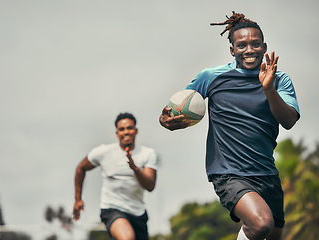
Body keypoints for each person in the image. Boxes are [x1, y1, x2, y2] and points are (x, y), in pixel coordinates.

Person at [159, 11, 300, 240]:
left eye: (255, 44)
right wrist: (165, 120)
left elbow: (289, 121)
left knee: (272, 234)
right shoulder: (211, 77)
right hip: (229, 172)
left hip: (266, 172)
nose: (249, 50)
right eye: (241, 45)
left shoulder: (279, 80)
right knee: (261, 223)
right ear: (232, 50)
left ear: (264, 47)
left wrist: (268, 89)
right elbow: (179, 108)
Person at [73, 112, 158, 240]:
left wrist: (135, 169)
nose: (126, 132)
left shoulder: (147, 154)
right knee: (127, 238)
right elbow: (81, 168)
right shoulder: (103, 152)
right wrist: (78, 199)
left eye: (129, 128)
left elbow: (150, 186)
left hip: (138, 212)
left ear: (136, 131)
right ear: (117, 133)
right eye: (121, 129)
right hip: (112, 209)